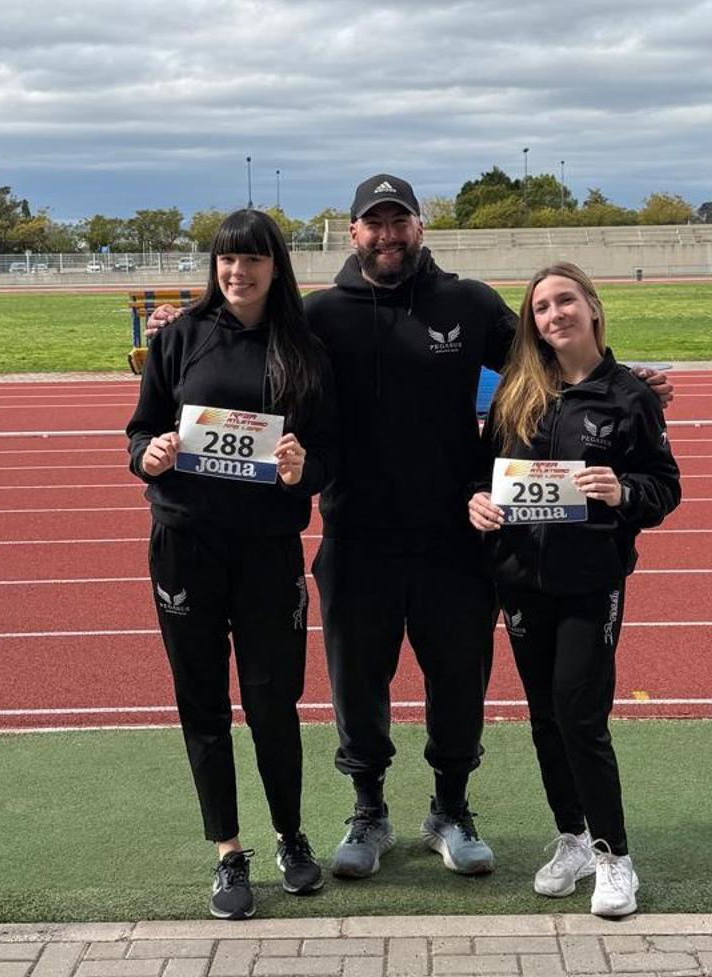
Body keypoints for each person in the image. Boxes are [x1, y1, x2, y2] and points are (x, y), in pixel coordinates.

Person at [147, 174, 674, 882]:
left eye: (400, 221)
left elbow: (548, 352)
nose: (387, 234)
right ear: (353, 230)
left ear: (419, 227)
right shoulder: (320, 314)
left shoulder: (468, 302)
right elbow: (244, 336)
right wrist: (169, 331)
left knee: (458, 680)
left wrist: (627, 378)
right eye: (374, 223)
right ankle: (368, 809)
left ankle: (451, 808)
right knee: (358, 683)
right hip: (355, 534)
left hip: (454, 538)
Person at [126, 209, 339, 920]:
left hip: (268, 550)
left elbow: (328, 456)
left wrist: (304, 469)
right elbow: (141, 426)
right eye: (225, 259)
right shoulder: (181, 336)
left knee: (273, 702)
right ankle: (228, 849)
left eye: (251, 259)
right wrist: (147, 454)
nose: (237, 272)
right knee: (204, 705)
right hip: (186, 544)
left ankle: (290, 834)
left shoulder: (303, 347)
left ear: (276, 266)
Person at [467, 262, 680, 917]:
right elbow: (482, 478)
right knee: (543, 718)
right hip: (522, 583)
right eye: (540, 308)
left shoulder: (629, 396)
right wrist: (474, 504)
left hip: (591, 581)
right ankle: (574, 837)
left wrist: (624, 492)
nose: (553, 315)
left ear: (591, 307)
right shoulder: (515, 393)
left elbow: (665, 485)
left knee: (578, 714)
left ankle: (616, 857)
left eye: (564, 301)